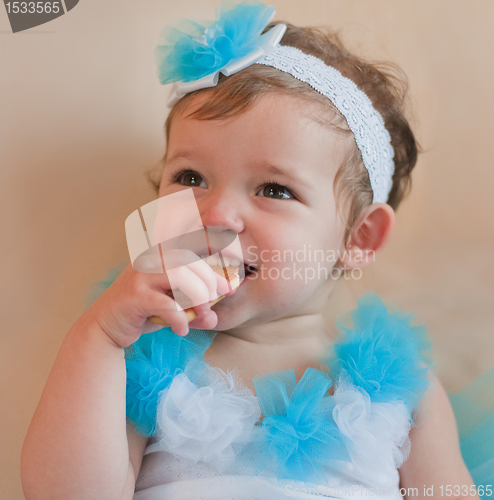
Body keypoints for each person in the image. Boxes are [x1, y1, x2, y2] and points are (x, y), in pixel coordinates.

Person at [20, 1, 493, 499]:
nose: (217, 213)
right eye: (191, 178)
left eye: (273, 189)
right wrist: (98, 335)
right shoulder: (140, 364)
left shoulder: (400, 394)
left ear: (358, 238)